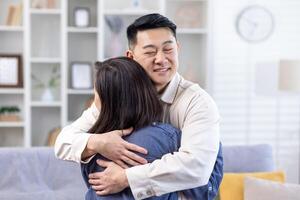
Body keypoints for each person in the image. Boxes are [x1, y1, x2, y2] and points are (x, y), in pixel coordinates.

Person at [55, 13, 222, 200]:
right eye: (150, 52)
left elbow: (197, 168)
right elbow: (63, 142)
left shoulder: (197, 102)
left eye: (168, 49)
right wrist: (101, 143)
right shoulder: (120, 93)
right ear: (131, 56)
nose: (161, 59)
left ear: (177, 49)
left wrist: (126, 178)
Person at [82, 57, 180, 199]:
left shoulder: (89, 150)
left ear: (106, 102)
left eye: (95, 94)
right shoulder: (169, 138)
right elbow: (203, 184)